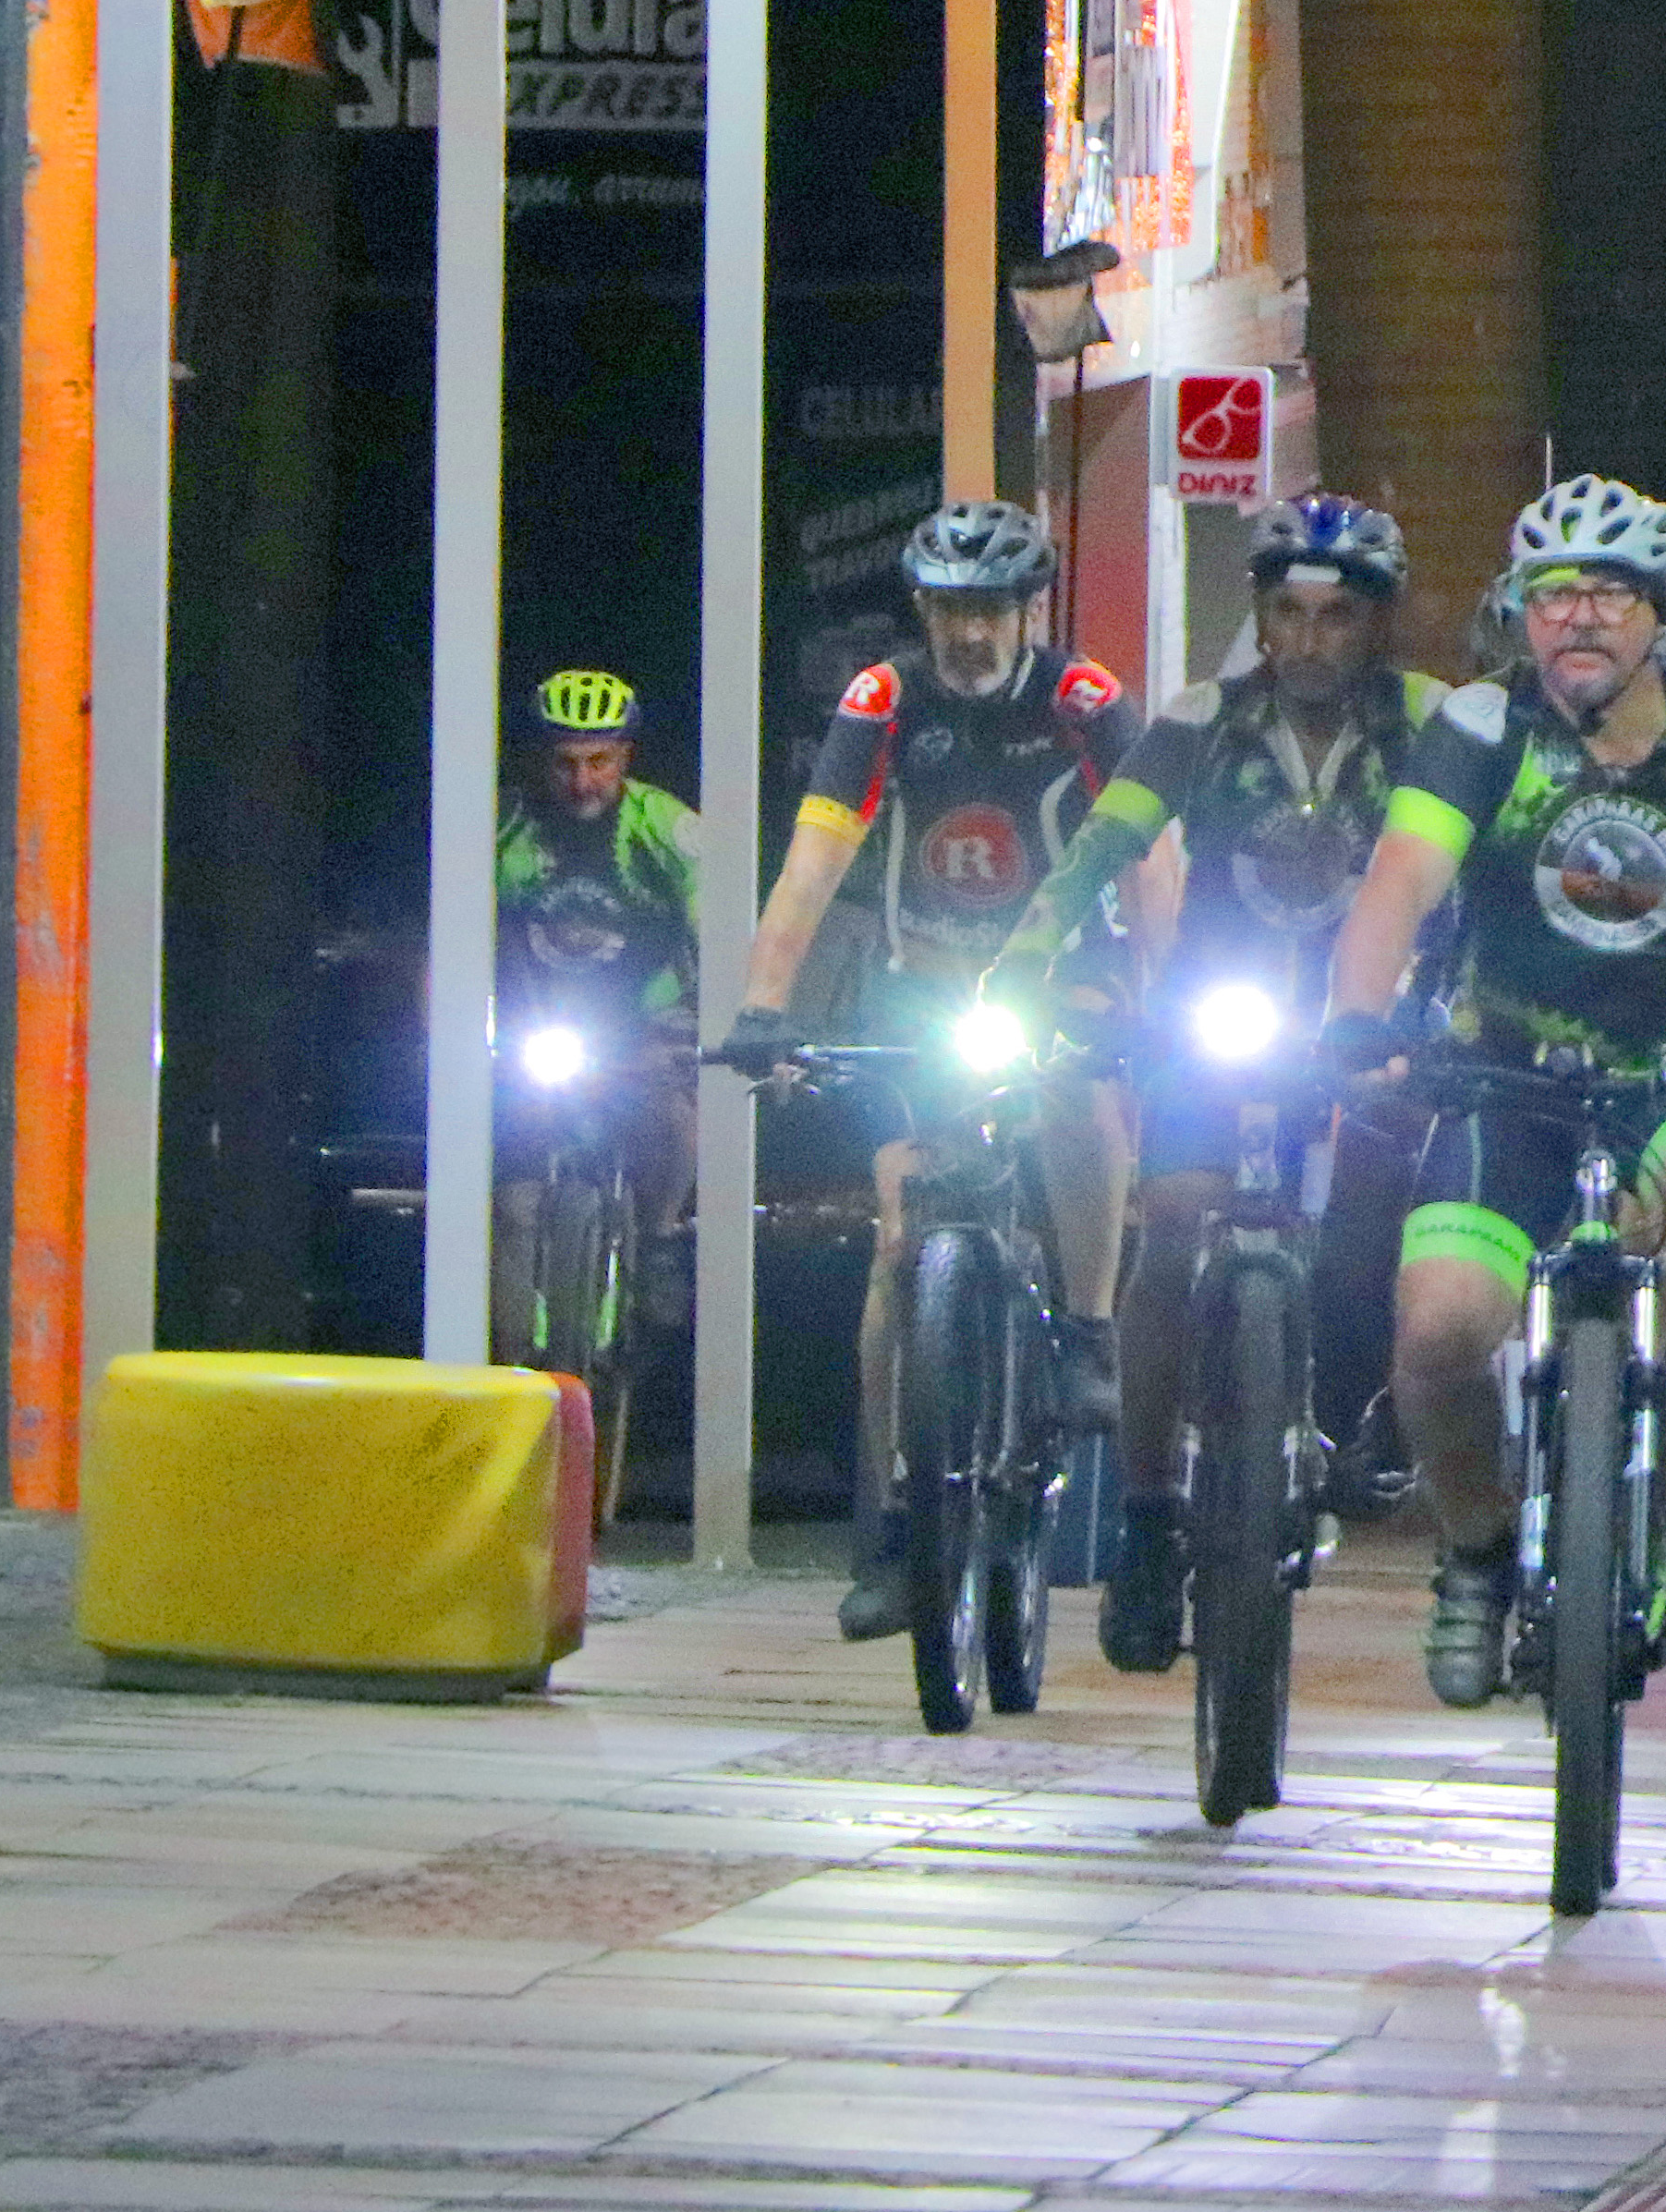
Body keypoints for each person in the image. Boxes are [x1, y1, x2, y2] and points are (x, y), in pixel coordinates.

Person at [1311, 476, 1666, 1699]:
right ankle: (1476, 1557)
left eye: (1609, 595)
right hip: (1504, 1080)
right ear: (1522, 610)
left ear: (1654, 612)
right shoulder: (1479, 727)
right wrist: (1354, 1018)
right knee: (1438, 1332)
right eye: (1554, 594)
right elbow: (1401, 879)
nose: (1579, 617)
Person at [999, 494, 1435, 1674]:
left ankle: (1362, 1413)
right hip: (1214, 1008)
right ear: (1261, 616)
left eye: (1337, 617)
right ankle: (1148, 1521)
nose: (1310, 640)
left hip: (1371, 1027)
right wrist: (1028, 954)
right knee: (1177, 1230)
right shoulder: (1204, 718)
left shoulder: (1434, 723)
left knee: (1381, 1217)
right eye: (1288, 613)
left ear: (1377, 623)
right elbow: (1106, 839)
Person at [723, 502, 1142, 1643]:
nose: (970, 632)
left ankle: (1090, 1330)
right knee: (901, 1236)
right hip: (925, 984)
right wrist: (762, 1006)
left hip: (1060, 975)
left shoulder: (1081, 701)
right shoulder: (884, 701)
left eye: (991, 608)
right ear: (920, 608)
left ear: (1028, 609)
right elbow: (814, 861)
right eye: (950, 609)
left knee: (1082, 1090)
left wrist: (1158, 989)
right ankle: (898, 1515)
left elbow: (1153, 855)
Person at [498, 669, 700, 1045]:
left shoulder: (664, 823)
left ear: (625, 756)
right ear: (541, 758)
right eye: (565, 763)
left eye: (598, 761)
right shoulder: (505, 825)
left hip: (651, 1022)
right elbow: (451, 932)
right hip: (537, 1024)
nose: (582, 783)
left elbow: (716, 926)